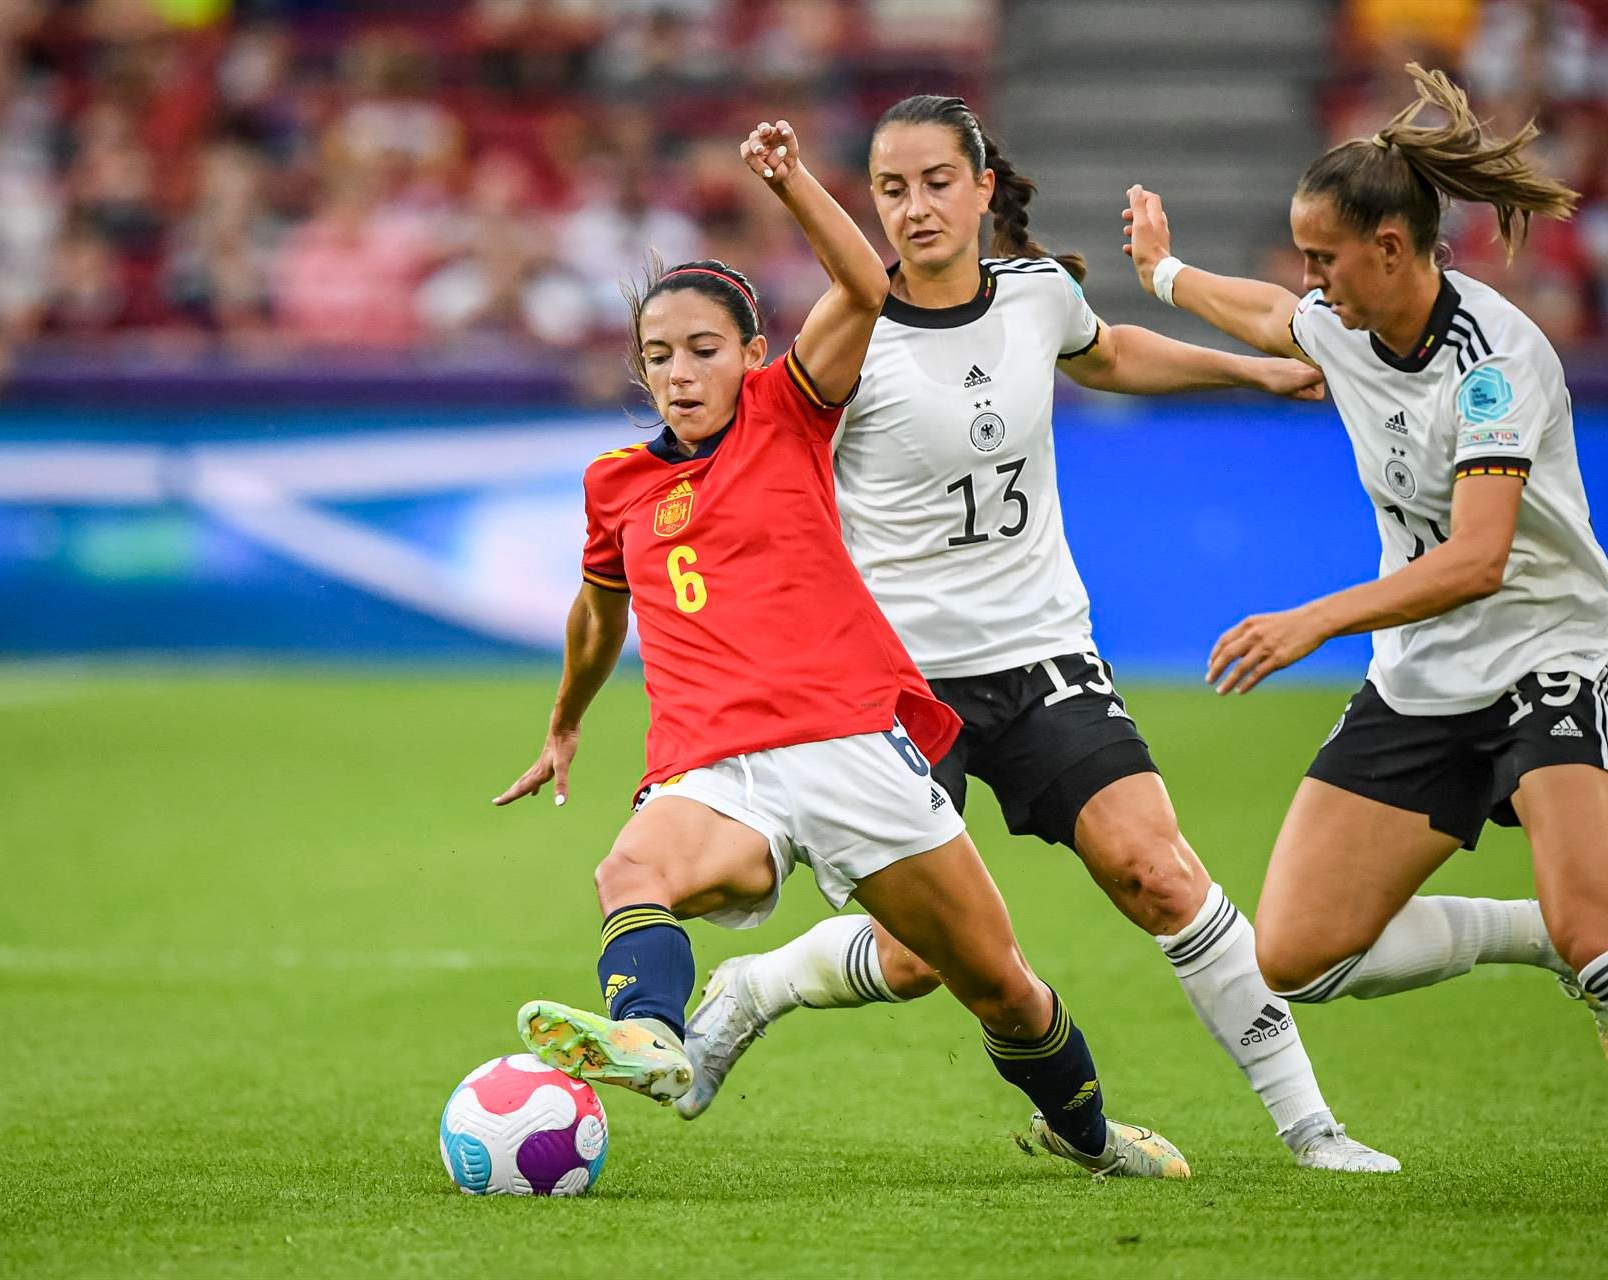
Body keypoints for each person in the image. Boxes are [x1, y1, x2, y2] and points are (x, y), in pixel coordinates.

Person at [669, 94, 1588, 1175]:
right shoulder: (847, 335)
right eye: (889, 189)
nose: (913, 208)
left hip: (1044, 652)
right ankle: (760, 985)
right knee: (928, 957)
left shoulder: (1037, 296)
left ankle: (1312, 1129)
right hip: (899, 683)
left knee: (1160, 872)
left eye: (933, 183)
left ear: (978, 189)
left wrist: (1248, 371)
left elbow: (1105, 355)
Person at [1122, 65, 1608, 1221]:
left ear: (1390, 246)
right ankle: (1535, 939)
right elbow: (1267, 315)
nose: (1309, 282)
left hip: (1545, 657)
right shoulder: (1346, 316)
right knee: (1300, 954)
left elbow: (1476, 560)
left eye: (1323, 257)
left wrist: (1314, 617)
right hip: (1425, 676)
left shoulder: (1493, 361)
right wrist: (1163, 271)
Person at [491, 117, 1188, 1180]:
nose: (680, 373)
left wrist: (790, 182)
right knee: (631, 865)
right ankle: (653, 1035)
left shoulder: (790, 411)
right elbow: (599, 613)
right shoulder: (616, 485)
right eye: (659, 356)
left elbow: (866, 285)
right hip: (716, 763)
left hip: (853, 742)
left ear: (752, 355)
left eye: (703, 350)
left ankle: (1089, 1134)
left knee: (992, 978)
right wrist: (566, 713)